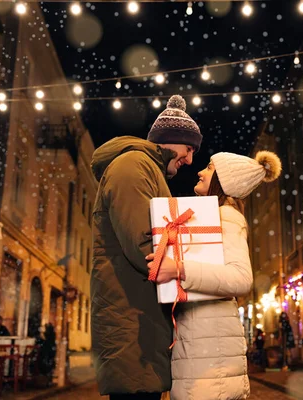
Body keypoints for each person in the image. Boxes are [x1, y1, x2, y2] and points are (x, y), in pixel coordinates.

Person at [90, 95, 202, 399]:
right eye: (189, 149)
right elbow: (145, 248)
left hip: (141, 322)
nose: (190, 160)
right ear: (171, 140)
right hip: (132, 326)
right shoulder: (133, 165)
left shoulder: (147, 170)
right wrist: (194, 266)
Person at [146, 150, 282, 400]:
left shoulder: (227, 216)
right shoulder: (212, 217)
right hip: (204, 350)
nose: (200, 171)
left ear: (224, 180)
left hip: (210, 359)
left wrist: (178, 269)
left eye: (209, 168)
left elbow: (240, 278)